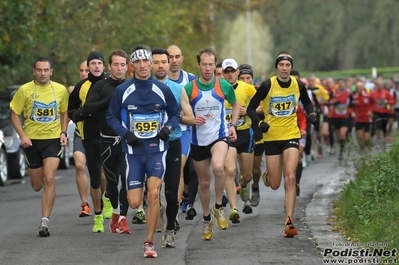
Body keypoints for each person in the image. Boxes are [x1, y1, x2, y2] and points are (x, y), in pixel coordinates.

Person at [107, 45, 180, 258]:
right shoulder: (123, 91)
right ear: (132, 66)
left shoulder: (162, 89)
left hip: (157, 150)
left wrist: (167, 128)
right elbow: (111, 117)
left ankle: (149, 242)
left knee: (155, 193)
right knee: (134, 203)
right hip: (133, 153)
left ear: (150, 63)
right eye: (137, 62)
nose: (142, 65)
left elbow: (175, 114)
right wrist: (124, 133)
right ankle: (151, 206)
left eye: (145, 61)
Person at [247, 52, 315, 238]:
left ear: (291, 67)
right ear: (277, 67)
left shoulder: (298, 84)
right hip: (272, 138)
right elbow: (252, 108)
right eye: (281, 65)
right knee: (276, 184)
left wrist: (311, 114)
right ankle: (270, 173)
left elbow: (307, 102)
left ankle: (289, 220)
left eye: (287, 65)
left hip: (291, 135)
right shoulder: (268, 84)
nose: (285, 68)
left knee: (290, 177)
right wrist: (260, 123)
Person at [10, 57, 69, 237]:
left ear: (51, 71)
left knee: (49, 177)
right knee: (37, 185)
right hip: (32, 141)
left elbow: (65, 112)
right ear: (34, 71)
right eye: (39, 70)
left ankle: (45, 222)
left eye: (46, 70)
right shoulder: (24, 90)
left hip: (52, 139)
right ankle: (44, 196)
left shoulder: (60, 90)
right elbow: (14, 114)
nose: (43, 73)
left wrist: (63, 132)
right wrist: (23, 136)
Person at [184, 48, 240, 240]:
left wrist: (232, 125)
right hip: (198, 140)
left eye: (211, 65)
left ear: (214, 66)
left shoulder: (223, 85)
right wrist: (191, 120)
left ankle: (219, 207)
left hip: (219, 135)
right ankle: (207, 218)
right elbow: (181, 115)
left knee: (218, 167)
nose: (207, 68)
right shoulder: (189, 89)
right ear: (198, 65)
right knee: (204, 182)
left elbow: (235, 105)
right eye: (204, 64)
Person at [151, 48, 197, 247]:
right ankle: (155, 222)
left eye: (164, 62)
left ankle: (170, 227)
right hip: (150, 144)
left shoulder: (179, 89)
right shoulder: (141, 88)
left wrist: (174, 119)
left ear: (169, 64)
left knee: (171, 190)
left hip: (172, 143)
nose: (161, 65)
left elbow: (190, 117)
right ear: (150, 65)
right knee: (152, 189)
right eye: (157, 62)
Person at [82, 49, 131, 234]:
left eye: (122, 65)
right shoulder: (101, 86)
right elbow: (88, 108)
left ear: (127, 67)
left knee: (126, 180)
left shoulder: (131, 86)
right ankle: (115, 213)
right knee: (112, 182)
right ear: (109, 67)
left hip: (126, 140)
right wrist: (110, 99)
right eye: (116, 65)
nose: (119, 68)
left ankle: (122, 218)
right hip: (107, 141)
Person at [68, 51, 107, 232]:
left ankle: (107, 201)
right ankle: (97, 216)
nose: (97, 66)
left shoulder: (111, 84)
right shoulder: (81, 86)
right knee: (95, 178)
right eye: (93, 64)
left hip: (110, 136)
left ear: (104, 66)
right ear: (88, 67)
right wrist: (82, 114)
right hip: (89, 137)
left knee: (108, 175)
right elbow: (71, 111)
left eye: (99, 63)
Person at [221, 58, 257, 219]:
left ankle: (244, 185)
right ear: (222, 73)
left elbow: (263, 106)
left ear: (237, 72)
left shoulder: (248, 89)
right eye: (226, 71)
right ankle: (234, 208)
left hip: (245, 132)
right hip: (227, 135)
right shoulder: (217, 89)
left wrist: (247, 110)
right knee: (230, 170)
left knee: (247, 175)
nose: (229, 74)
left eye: (232, 71)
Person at [166, 44, 198, 222]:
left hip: (185, 131)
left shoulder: (190, 79)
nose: (174, 60)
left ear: (182, 58)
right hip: (159, 134)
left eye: (177, 56)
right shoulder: (157, 80)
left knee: (176, 171)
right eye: (170, 57)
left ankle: (174, 212)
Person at [67, 61, 92, 217]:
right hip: (80, 133)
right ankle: (85, 204)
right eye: (81, 70)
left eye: (87, 70)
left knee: (101, 174)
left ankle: (104, 199)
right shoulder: (74, 90)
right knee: (79, 165)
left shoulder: (101, 87)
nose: (84, 73)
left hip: (97, 135)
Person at [238, 64, 264, 207]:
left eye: (248, 78)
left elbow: (263, 107)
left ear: (252, 79)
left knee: (255, 168)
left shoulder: (256, 91)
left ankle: (255, 186)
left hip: (257, 131)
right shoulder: (235, 90)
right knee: (242, 167)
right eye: (242, 78)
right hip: (241, 132)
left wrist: (248, 111)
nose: (245, 80)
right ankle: (245, 193)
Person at [352, 81, 373, 151]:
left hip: (367, 118)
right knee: (360, 135)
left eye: (360, 87)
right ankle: (362, 149)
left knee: (367, 138)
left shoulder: (368, 95)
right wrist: (352, 112)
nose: (359, 89)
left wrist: (370, 110)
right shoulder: (354, 97)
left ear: (363, 87)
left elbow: (374, 104)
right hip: (358, 119)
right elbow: (350, 106)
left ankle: (366, 145)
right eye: (358, 88)